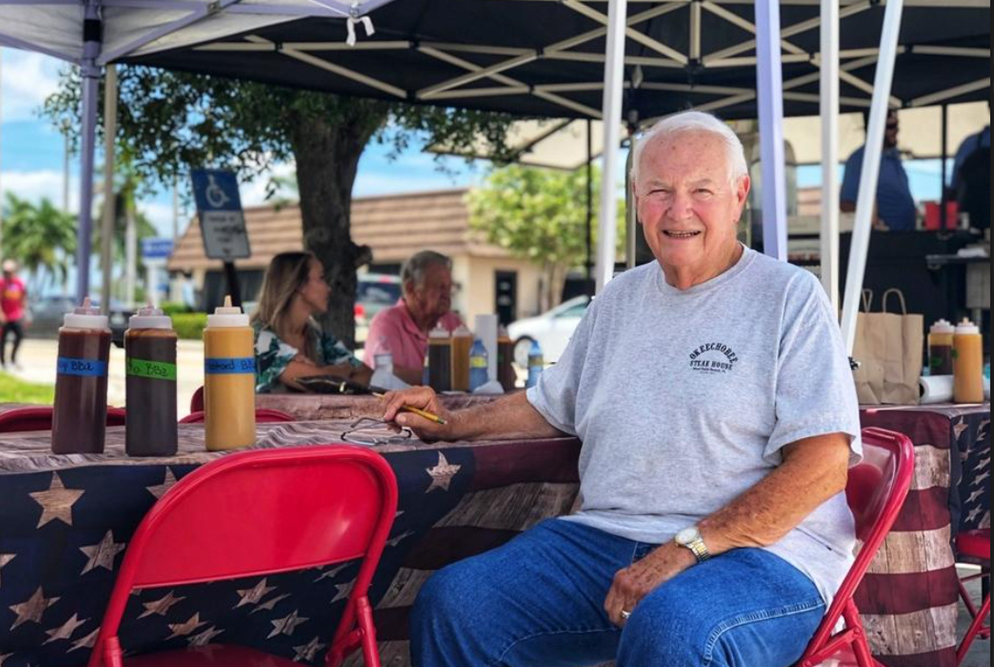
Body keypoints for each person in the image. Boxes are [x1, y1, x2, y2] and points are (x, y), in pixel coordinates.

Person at [383, 111, 862, 667]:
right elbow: (551, 404)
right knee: (456, 601)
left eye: (701, 190)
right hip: (604, 539)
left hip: (763, 553)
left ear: (739, 195)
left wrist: (687, 548)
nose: (679, 211)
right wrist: (450, 419)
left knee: (674, 627)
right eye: (660, 191)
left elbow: (824, 466)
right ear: (637, 199)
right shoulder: (618, 299)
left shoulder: (789, 296)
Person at [252, 251, 371, 393]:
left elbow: (366, 373)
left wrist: (326, 374)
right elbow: (313, 380)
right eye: (321, 278)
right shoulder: (259, 337)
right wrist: (345, 370)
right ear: (300, 285)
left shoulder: (316, 335)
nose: (328, 288)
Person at [364, 250, 464, 385]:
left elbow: (472, 369)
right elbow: (387, 374)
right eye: (439, 287)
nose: (447, 294)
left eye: (449, 287)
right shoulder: (387, 322)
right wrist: (442, 378)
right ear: (411, 288)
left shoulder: (453, 323)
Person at [840, 109, 917, 231]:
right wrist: (873, 223)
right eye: (891, 126)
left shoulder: (894, 156)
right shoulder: (860, 159)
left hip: (906, 237)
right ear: (875, 128)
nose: (897, 130)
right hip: (882, 239)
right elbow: (846, 203)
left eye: (897, 125)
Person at [0, 259, 28, 371]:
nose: (7, 274)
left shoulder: (19, 283)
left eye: (9, 272)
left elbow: (23, 298)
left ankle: (13, 359)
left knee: (19, 336)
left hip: (16, 316)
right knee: (2, 340)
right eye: (5, 272)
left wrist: (24, 313)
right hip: (3, 317)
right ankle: (3, 362)